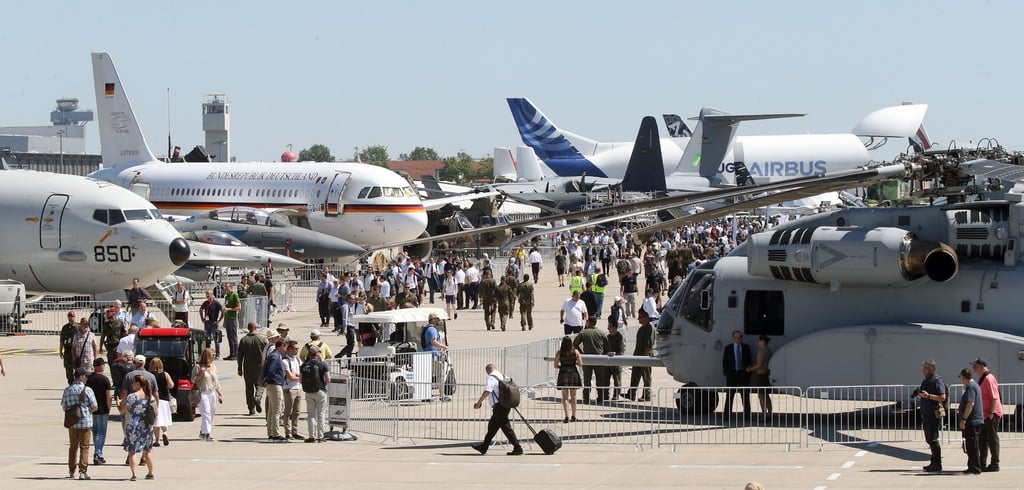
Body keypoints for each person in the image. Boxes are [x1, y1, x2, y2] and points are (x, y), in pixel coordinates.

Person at [471, 363, 523, 456]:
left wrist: (479, 402)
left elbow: (488, 390)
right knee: (492, 428)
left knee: (506, 428)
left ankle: (517, 447)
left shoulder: (491, 377)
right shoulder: (503, 376)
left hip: (499, 407)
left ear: (487, 371)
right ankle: (484, 447)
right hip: (505, 405)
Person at [62, 367, 98, 480]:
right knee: (84, 447)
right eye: (86, 376)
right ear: (81, 377)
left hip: (72, 423)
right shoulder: (87, 390)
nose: (87, 378)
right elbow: (94, 406)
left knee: (73, 446)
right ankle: (82, 471)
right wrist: (87, 412)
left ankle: (71, 470)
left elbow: (64, 406)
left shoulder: (67, 389)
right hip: (85, 422)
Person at [119, 374, 155, 481]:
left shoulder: (132, 397)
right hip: (147, 426)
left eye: (133, 382)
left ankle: (134, 474)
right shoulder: (150, 397)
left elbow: (122, 411)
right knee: (147, 451)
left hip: (133, 425)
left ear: (138, 383)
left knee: (132, 451)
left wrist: (118, 404)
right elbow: (155, 411)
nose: (132, 384)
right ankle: (150, 472)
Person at [916, 359, 947, 472]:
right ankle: (933, 461)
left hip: (933, 414)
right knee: (929, 439)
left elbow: (942, 397)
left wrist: (928, 396)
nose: (923, 370)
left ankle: (937, 463)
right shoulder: (926, 381)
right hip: (926, 413)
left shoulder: (937, 381)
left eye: (925, 368)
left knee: (933, 439)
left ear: (931, 369)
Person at [971, 358, 1001, 472]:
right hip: (984, 414)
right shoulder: (983, 378)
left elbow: (994, 397)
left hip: (991, 414)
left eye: (975, 366)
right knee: (982, 439)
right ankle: (982, 462)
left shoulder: (988, 378)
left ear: (981, 366)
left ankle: (995, 463)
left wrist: (991, 413)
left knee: (992, 439)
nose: (973, 368)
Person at [574, 317, 610, 403]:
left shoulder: (584, 332)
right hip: (599, 359)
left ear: (589, 322)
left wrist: (581, 353)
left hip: (587, 359)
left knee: (587, 380)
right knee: (600, 380)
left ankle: (586, 398)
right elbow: (607, 346)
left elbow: (575, 344)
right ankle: (600, 397)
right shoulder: (601, 332)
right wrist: (603, 354)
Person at [301, 345, 331, 443]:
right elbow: (328, 379)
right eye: (319, 352)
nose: (320, 353)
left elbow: (301, 380)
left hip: (308, 392)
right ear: (316, 353)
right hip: (320, 391)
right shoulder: (322, 364)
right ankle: (320, 436)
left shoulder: (304, 365)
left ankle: (311, 436)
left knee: (311, 415)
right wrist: (323, 386)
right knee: (321, 414)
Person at [84, 358, 111, 466]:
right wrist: (109, 408)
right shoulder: (105, 379)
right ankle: (98, 453)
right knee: (102, 432)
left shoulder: (88, 379)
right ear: (101, 366)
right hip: (102, 409)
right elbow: (109, 396)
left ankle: (98, 452)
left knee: (95, 432)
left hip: (91, 409)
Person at [260, 340, 287, 441]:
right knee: (277, 411)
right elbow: (271, 370)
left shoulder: (273, 355)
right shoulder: (275, 356)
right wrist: (267, 379)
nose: (285, 350)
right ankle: (276, 433)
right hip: (275, 384)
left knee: (272, 410)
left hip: (272, 385)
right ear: (281, 346)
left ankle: (270, 432)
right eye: (285, 347)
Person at [237, 322, 267, 415]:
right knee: (260, 384)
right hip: (259, 366)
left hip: (247, 366)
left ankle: (251, 408)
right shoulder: (262, 339)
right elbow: (266, 353)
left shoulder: (243, 340)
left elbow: (240, 355)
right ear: (255, 327)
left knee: (249, 387)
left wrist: (239, 368)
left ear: (248, 328)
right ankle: (257, 398)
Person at [193, 348, 223, 441]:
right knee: (206, 413)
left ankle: (203, 431)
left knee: (211, 413)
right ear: (207, 356)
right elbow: (193, 380)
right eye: (212, 355)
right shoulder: (198, 367)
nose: (214, 357)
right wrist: (200, 374)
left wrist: (219, 393)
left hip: (212, 392)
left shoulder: (213, 366)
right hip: (202, 392)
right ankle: (208, 433)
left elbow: (216, 381)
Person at [958, 367, 984, 475]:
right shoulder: (974, 386)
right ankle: (972, 466)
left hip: (972, 421)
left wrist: (964, 419)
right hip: (975, 421)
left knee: (972, 445)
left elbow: (970, 403)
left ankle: (975, 467)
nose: (960, 379)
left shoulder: (970, 387)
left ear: (963, 377)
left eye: (960, 377)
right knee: (971, 444)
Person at [721, 329, 752, 421]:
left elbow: (749, 360)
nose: (739, 339)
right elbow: (724, 361)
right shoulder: (728, 348)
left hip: (743, 374)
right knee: (730, 396)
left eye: (741, 337)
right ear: (733, 338)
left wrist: (748, 371)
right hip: (732, 374)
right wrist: (726, 373)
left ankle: (747, 416)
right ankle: (727, 416)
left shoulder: (746, 348)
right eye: (737, 337)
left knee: (745, 396)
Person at [626, 310, 655, 402]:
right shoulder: (642, 328)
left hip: (645, 356)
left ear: (646, 318)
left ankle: (646, 395)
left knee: (646, 377)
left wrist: (645, 359)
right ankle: (631, 394)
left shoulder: (650, 329)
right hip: (638, 356)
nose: (638, 319)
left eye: (640, 317)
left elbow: (648, 345)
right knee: (635, 376)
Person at [147, 357, 174, 447]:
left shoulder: (150, 375)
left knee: (156, 421)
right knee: (164, 419)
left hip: (153, 399)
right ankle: (165, 433)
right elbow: (171, 385)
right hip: (164, 399)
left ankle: (157, 440)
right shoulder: (165, 374)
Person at [554, 336, 582, 422]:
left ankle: (566, 416)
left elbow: (555, 365)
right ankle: (574, 415)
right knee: (573, 396)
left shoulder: (559, 353)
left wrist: (561, 367)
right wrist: (574, 363)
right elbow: (580, 364)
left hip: (563, 373)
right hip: (573, 373)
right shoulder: (575, 352)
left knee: (565, 396)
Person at [746, 335, 773, 422]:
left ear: (762, 341)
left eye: (759, 341)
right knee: (766, 396)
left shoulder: (763, 351)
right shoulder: (768, 350)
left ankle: (764, 415)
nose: (758, 342)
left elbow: (759, 365)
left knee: (761, 396)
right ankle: (769, 414)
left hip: (761, 375)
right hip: (766, 375)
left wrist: (750, 369)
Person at [282, 340, 304, 440]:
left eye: (297, 348)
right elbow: (290, 377)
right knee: (287, 412)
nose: (297, 350)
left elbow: (301, 375)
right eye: (295, 348)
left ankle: (295, 431)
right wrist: (297, 376)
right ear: (289, 349)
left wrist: (297, 376)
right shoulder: (285, 361)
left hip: (298, 388)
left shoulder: (298, 360)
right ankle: (288, 432)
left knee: (297, 412)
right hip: (289, 389)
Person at [200, 289, 224, 359]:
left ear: (212, 295)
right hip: (207, 323)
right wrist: (202, 318)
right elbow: (200, 309)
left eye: (208, 294)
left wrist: (219, 320)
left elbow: (222, 310)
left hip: (214, 323)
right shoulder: (205, 303)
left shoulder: (216, 303)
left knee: (216, 339)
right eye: (206, 294)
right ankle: (208, 354)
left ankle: (217, 354)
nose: (207, 295)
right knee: (207, 339)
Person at [606, 320, 626, 400]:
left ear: (614, 328)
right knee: (606, 379)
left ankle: (616, 394)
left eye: (610, 327)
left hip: (616, 361)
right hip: (608, 362)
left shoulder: (620, 337)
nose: (609, 329)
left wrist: (617, 359)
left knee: (617, 380)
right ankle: (605, 394)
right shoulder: (608, 337)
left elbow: (621, 349)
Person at [222, 282, 241, 360]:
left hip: (233, 318)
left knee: (234, 336)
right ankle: (231, 353)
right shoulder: (227, 296)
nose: (226, 288)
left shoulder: (234, 295)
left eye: (227, 286)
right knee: (229, 336)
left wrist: (229, 309)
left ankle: (236, 354)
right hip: (227, 318)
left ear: (231, 287)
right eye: (225, 286)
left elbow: (239, 307)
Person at [59, 311, 78, 383]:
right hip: (68, 350)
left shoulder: (78, 327)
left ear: (75, 317)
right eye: (69, 316)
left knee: (77, 367)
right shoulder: (65, 327)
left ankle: (77, 381)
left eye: (72, 316)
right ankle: (70, 381)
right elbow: (62, 340)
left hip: (76, 351)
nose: (71, 318)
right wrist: (61, 351)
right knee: (68, 367)